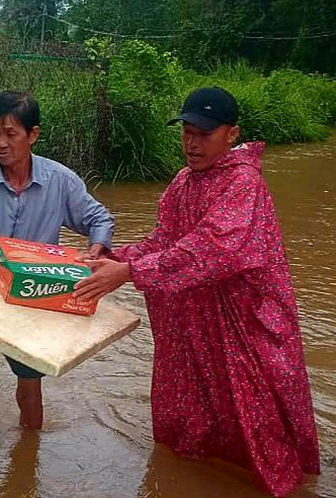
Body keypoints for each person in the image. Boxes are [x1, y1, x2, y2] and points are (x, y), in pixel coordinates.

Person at [73, 87, 320, 496]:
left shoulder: (244, 184)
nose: (192, 143)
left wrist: (129, 271)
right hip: (196, 325)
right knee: (193, 419)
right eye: (187, 132)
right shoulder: (184, 182)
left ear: (232, 133)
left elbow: (213, 248)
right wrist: (113, 260)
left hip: (244, 324)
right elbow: (165, 240)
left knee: (257, 413)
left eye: (204, 134)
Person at [0, 91, 114, 431]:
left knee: (30, 389)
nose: (0, 143)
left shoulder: (59, 181)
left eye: (10, 134)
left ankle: (28, 460)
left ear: (32, 135)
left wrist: (97, 249)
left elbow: (99, 219)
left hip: (35, 299)